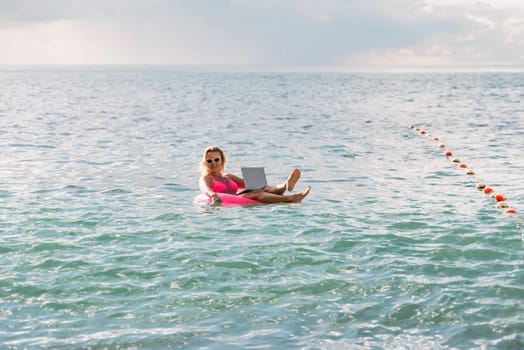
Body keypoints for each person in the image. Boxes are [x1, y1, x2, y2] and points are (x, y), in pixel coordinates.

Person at [199, 146, 311, 206]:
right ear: (205, 163)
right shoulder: (206, 178)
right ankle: (291, 198)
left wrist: (257, 180)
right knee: (257, 193)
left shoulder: (228, 177)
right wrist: (213, 195)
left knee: (261, 187)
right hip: (229, 201)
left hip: (238, 197)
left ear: (222, 161)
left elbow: (254, 185)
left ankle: (285, 185)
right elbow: (206, 189)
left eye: (216, 159)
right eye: (209, 160)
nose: (213, 163)